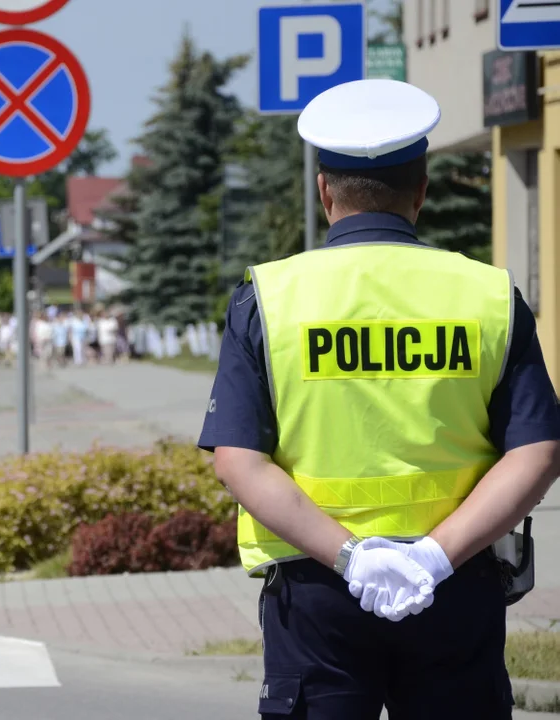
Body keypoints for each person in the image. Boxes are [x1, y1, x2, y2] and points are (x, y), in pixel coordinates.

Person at [198, 79, 560, 720]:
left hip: (317, 592)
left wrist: (349, 555)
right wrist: (431, 557)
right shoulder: (488, 296)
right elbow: (536, 452)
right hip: (455, 581)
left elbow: (238, 460)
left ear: (323, 189)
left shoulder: (269, 300)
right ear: (421, 191)